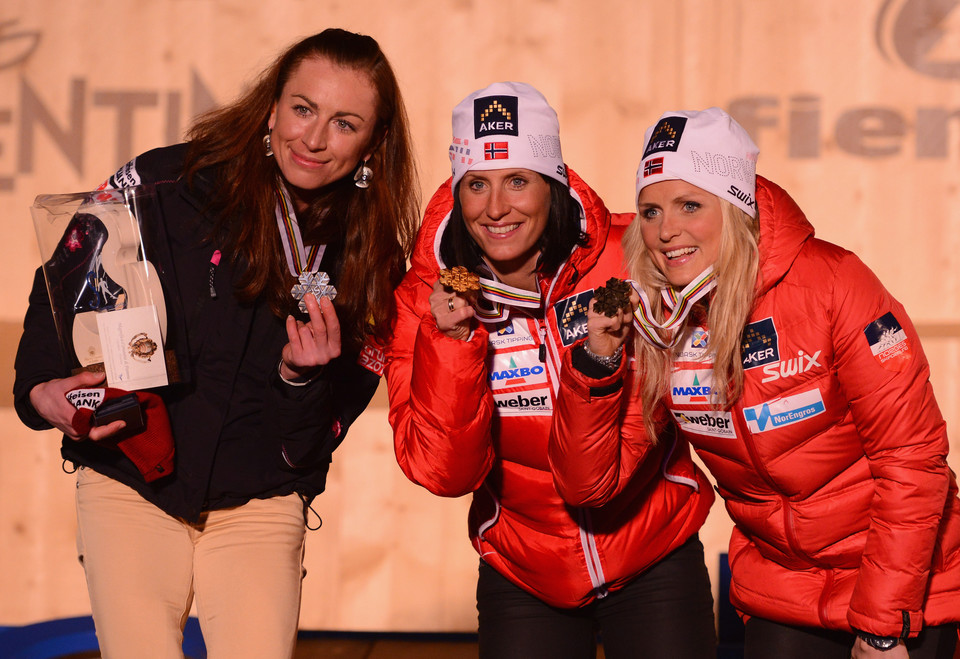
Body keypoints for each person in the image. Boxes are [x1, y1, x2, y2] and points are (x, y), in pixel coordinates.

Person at [13, 28, 419, 659]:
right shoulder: (166, 182)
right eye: (303, 109)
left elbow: (312, 444)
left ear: (374, 141)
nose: (313, 139)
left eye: (344, 123)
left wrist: (299, 379)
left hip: (259, 504)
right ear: (273, 106)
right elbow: (64, 283)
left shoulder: (374, 261)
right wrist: (39, 388)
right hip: (132, 483)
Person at [549, 107, 960, 659]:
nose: (666, 231)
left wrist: (881, 624)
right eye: (650, 211)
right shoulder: (655, 318)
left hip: (902, 579)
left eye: (690, 205)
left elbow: (911, 459)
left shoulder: (832, 283)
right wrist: (595, 367)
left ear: (735, 207)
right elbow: (588, 486)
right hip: (783, 588)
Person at [385, 82, 717, 659]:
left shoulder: (629, 255)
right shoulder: (425, 300)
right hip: (523, 570)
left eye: (518, 180)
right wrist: (453, 341)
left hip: (652, 550)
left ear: (552, 182)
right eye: (477, 184)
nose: (495, 208)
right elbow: (443, 473)